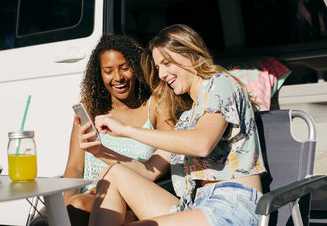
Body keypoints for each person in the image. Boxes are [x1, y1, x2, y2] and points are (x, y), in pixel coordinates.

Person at [83, 24, 267, 226]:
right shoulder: (187, 118)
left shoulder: (220, 84)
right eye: (158, 67)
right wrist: (100, 151)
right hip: (196, 206)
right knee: (112, 174)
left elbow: (202, 143)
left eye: (167, 63)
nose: (162, 74)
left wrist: (127, 131)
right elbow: (148, 170)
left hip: (232, 207)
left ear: (189, 54)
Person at [30, 34, 174, 226]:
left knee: (79, 204)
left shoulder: (155, 106)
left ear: (137, 67)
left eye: (124, 68)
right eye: (108, 71)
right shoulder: (90, 109)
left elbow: (168, 153)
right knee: (66, 209)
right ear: (99, 74)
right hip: (85, 195)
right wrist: (60, 215)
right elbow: (74, 167)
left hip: (130, 199)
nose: (118, 78)